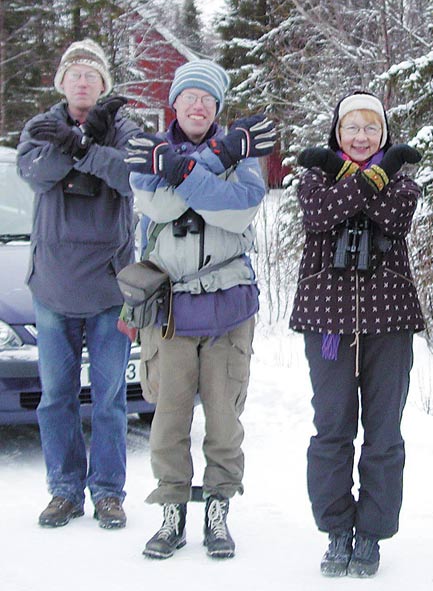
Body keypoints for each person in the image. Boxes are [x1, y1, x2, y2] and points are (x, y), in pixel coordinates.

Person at [124, 60, 275, 559]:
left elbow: (240, 208)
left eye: (208, 100)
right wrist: (215, 160)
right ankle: (171, 512)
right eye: (190, 96)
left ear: (218, 108)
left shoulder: (244, 153)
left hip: (229, 308)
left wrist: (183, 169)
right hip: (170, 311)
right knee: (168, 420)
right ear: (175, 101)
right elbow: (160, 209)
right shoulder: (148, 150)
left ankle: (218, 509)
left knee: (225, 419)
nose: (198, 105)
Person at [292, 91, 424, 578]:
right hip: (327, 320)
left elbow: (393, 217)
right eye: (352, 128)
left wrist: (373, 180)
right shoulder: (312, 178)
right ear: (337, 132)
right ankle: (336, 529)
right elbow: (321, 216)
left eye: (371, 128)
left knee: (384, 432)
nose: (362, 136)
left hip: (389, 321)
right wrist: (369, 179)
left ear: (383, 135)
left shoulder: (405, 184)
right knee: (331, 430)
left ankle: (371, 532)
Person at [17, 38, 140, 530]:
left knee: (110, 399)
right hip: (53, 285)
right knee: (57, 397)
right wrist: (76, 147)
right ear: (62, 82)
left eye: (92, 74)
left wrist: (83, 146)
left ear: (105, 83)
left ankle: (108, 492)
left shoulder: (124, 126)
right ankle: (64, 490)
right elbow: (37, 171)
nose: (83, 80)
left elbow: (131, 175)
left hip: (111, 287)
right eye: (75, 73)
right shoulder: (41, 126)